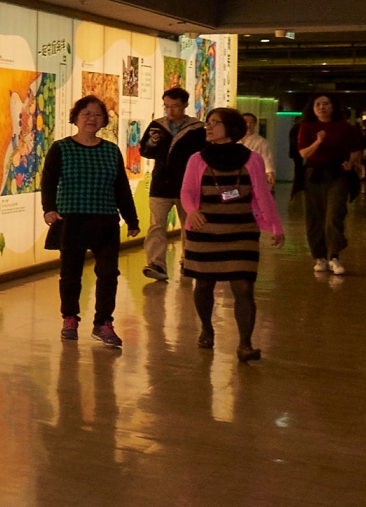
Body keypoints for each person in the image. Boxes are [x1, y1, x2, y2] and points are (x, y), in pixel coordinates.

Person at [182, 109, 285, 362]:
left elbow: (262, 194)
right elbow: (187, 191)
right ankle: (207, 329)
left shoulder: (252, 159)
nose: (208, 127)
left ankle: (245, 344)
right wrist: (192, 211)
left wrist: (276, 226)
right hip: (204, 231)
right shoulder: (197, 158)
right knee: (203, 284)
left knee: (244, 287)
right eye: (207, 123)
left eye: (215, 123)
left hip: (241, 231)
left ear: (231, 128)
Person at [42, 95, 140, 348]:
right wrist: (49, 210)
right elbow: (48, 182)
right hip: (71, 220)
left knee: (108, 274)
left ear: (104, 120)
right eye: (86, 114)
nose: (91, 119)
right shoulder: (61, 148)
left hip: (105, 221)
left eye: (97, 115)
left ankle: (103, 322)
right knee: (70, 274)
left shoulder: (111, 150)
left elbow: (121, 188)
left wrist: (131, 219)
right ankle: (70, 319)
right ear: (75, 117)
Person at [137, 86, 207, 282]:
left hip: (188, 185)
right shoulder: (157, 126)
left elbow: (203, 155)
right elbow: (145, 151)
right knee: (156, 226)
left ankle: (188, 261)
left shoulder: (197, 129)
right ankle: (156, 263)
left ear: (185, 105)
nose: (170, 110)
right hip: (160, 184)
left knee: (189, 225)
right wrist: (152, 142)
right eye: (166, 106)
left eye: (175, 106)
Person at [297, 95, 363, 274]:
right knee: (315, 217)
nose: (321, 107)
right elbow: (304, 153)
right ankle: (319, 257)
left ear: (333, 107)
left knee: (334, 214)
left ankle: (334, 255)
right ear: (312, 108)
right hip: (314, 175)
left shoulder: (344, 127)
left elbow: (356, 149)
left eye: (326, 104)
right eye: (317, 104)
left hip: (338, 173)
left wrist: (351, 162)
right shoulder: (307, 126)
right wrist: (318, 141)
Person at [239, 111, 275, 188]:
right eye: (245, 122)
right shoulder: (234, 140)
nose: (248, 125)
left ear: (255, 124)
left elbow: (267, 158)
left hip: (253, 175)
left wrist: (269, 172)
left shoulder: (261, 142)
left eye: (251, 123)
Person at [287, 115, 306, 195]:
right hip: (297, 151)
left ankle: (298, 181)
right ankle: (298, 181)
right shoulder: (297, 129)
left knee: (298, 166)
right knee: (298, 166)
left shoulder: (294, 129)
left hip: (295, 152)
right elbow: (295, 142)